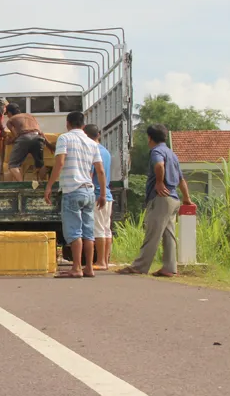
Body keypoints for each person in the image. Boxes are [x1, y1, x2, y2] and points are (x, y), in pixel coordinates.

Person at [118, 124, 193, 277]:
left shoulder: (157, 151)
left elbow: (159, 165)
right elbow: (181, 179)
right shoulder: (172, 154)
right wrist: (186, 198)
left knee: (152, 233)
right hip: (173, 198)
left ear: (150, 138)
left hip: (161, 199)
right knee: (169, 234)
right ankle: (169, 267)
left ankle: (139, 266)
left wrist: (159, 182)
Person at [44, 111, 107, 278]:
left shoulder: (64, 139)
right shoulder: (92, 143)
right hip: (89, 191)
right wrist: (102, 193)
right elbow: (100, 170)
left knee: (74, 231)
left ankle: (76, 268)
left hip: (72, 190)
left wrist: (49, 186)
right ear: (83, 125)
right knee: (88, 232)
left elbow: (60, 162)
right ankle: (89, 267)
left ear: (67, 124)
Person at [84, 124, 114, 270]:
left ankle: (101, 261)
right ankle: (105, 261)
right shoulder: (105, 152)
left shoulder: (92, 151)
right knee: (106, 228)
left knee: (98, 229)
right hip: (107, 194)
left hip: (97, 194)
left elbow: (90, 175)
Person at [3, 104, 51, 182]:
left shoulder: (11, 120)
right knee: (40, 164)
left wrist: (9, 141)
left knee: (12, 165)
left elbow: (16, 135)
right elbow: (40, 132)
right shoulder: (30, 116)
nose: (7, 116)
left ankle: (22, 184)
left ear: (9, 113)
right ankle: (43, 184)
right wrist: (49, 145)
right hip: (37, 138)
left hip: (23, 138)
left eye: (7, 114)